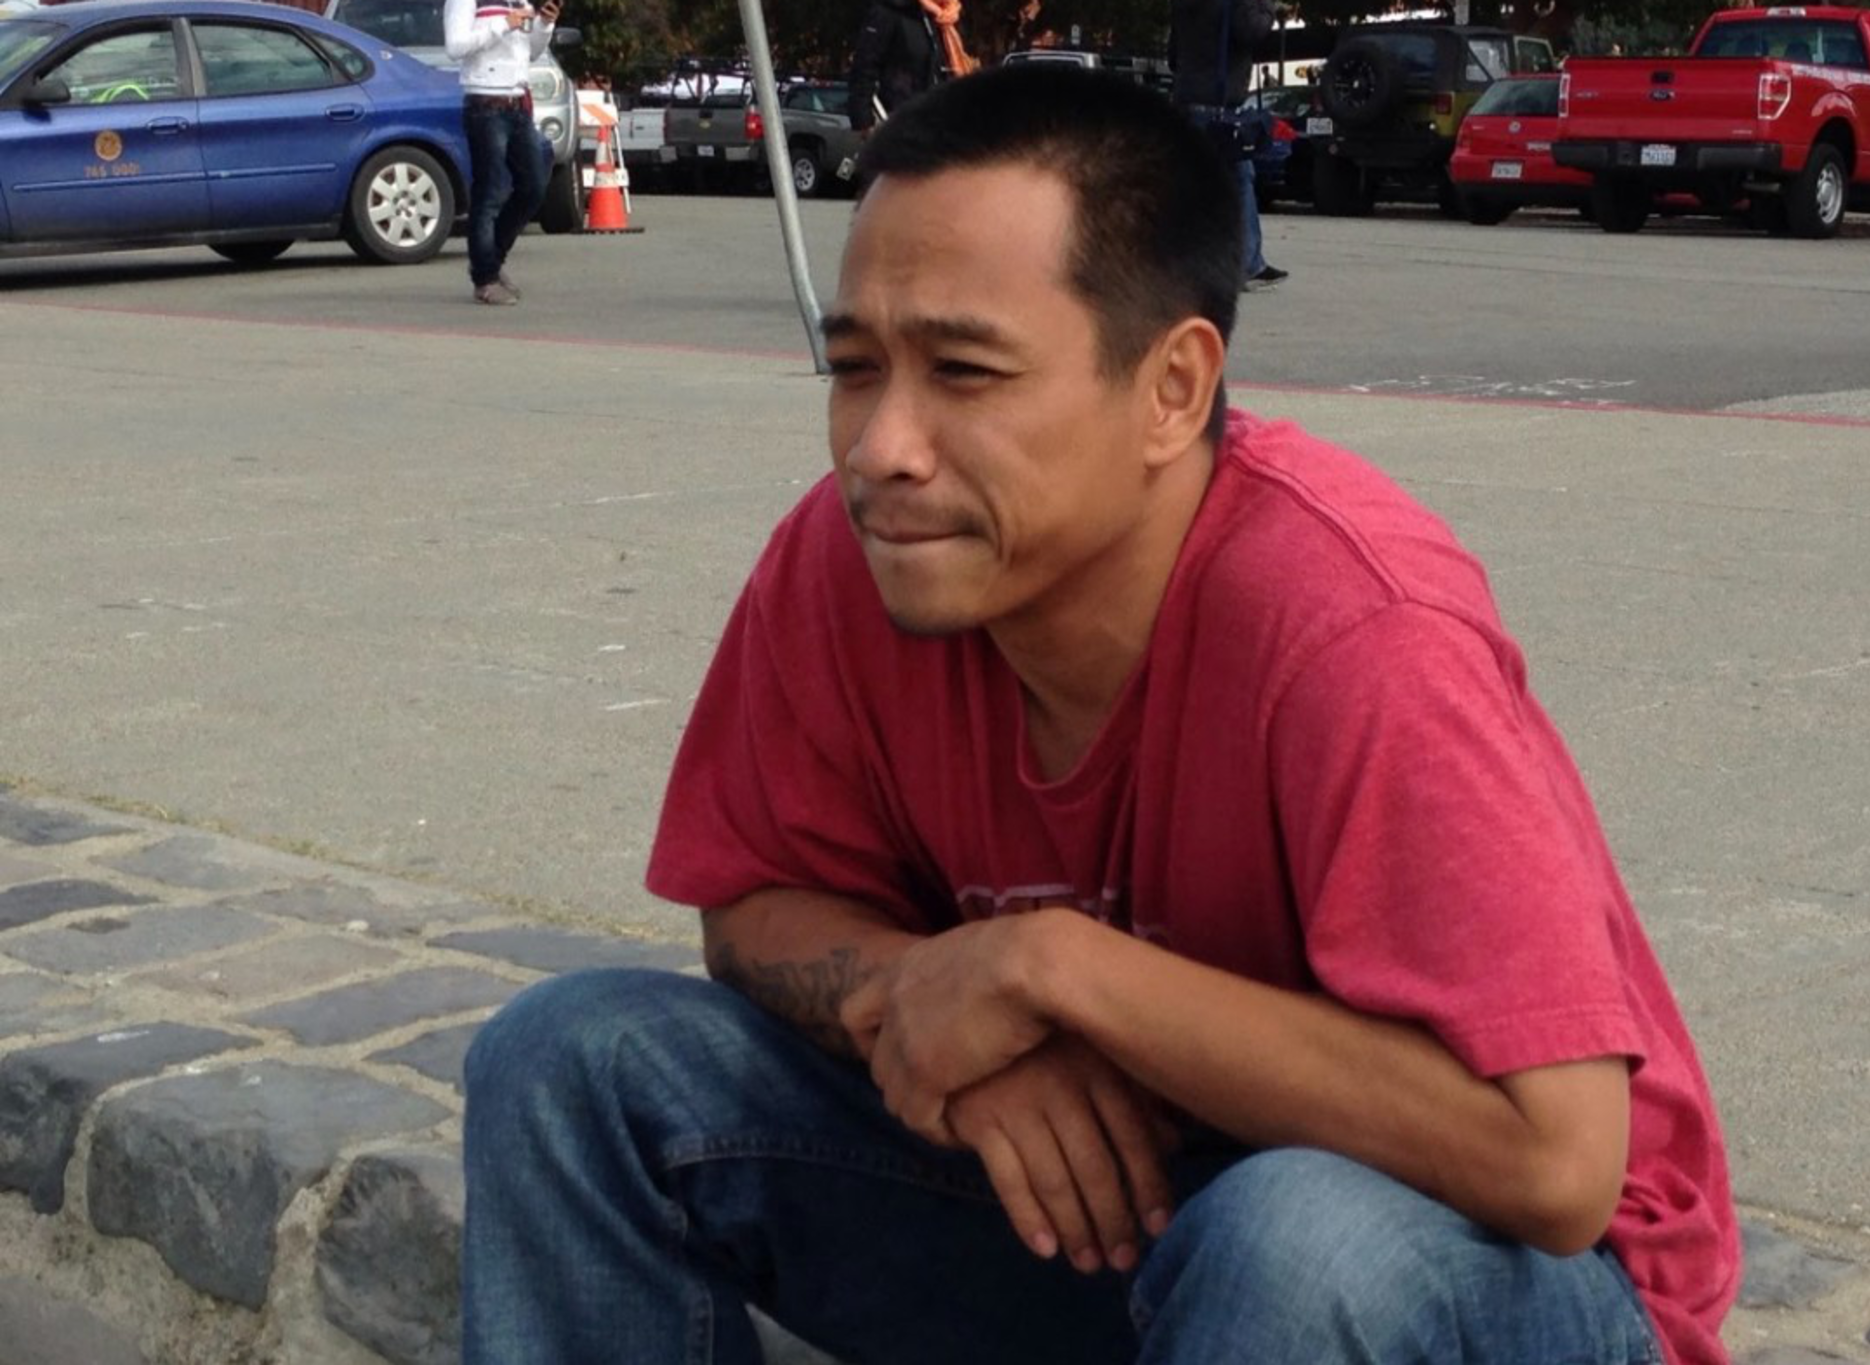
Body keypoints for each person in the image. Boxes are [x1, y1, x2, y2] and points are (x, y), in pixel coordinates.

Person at [460, 63, 1740, 1365]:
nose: (882, 446)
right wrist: (936, 1010)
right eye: (855, 368)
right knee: (570, 1065)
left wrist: (1056, 971)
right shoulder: (865, 553)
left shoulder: (1354, 624)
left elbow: (1557, 1160)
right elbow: (751, 909)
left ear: (1173, 390)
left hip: (1494, 1284)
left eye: (965, 372)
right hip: (1106, 1224)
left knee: (1293, 1241)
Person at [444, 0, 560, 306]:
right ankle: (485, 278)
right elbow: (455, 46)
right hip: (485, 104)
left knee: (533, 186)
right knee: (490, 191)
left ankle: (491, 260)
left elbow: (531, 52)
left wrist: (545, 25)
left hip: (517, 103)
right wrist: (503, 24)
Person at [1171, 0, 1286, 289]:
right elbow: (1251, 31)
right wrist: (1268, 7)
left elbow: (1172, 55)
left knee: (1213, 181)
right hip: (1218, 107)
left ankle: (1242, 261)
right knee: (1236, 180)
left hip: (1188, 102)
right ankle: (1243, 263)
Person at [848, 0, 942, 136]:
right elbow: (865, 64)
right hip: (899, 121)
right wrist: (864, 120)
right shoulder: (888, 11)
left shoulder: (939, 17)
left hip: (935, 122)